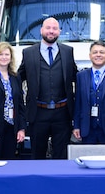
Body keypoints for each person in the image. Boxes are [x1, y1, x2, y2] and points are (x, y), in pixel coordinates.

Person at [18, 17, 77, 159]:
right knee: (37, 155)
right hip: (38, 113)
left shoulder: (68, 52)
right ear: (41, 30)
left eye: (55, 28)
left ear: (59, 31)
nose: (51, 31)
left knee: (61, 155)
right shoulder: (28, 52)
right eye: (48, 28)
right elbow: (18, 78)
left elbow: (77, 76)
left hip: (62, 113)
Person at [73, 40, 105, 144]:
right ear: (90, 55)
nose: (98, 55)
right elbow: (78, 103)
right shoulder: (81, 75)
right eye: (95, 52)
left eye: (101, 52)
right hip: (87, 129)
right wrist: (76, 126)